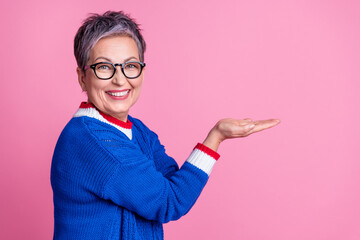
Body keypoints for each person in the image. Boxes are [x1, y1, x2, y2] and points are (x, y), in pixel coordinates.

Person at [50, 11, 280, 240]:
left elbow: (172, 184)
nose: (120, 79)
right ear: (82, 77)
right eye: (104, 67)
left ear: (142, 70)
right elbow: (169, 201)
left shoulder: (137, 130)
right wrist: (216, 137)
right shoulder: (91, 141)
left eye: (130, 66)